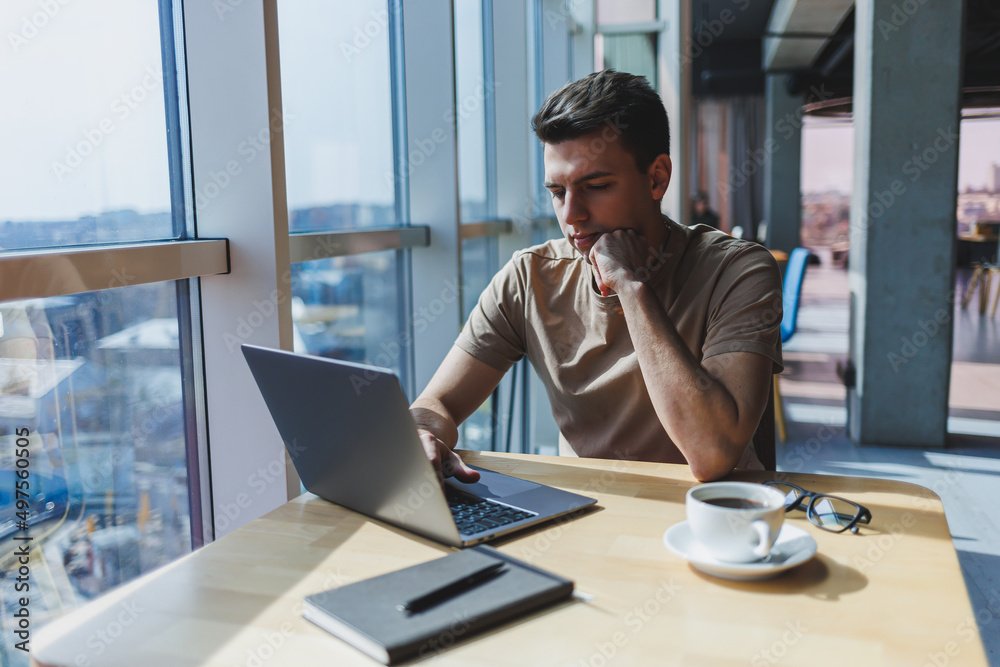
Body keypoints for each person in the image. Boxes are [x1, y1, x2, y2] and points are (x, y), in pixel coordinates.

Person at [410, 70, 782, 483]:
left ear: (657, 177)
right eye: (557, 193)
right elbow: (437, 403)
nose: (571, 216)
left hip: (709, 518)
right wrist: (423, 432)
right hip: (591, 513)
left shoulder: (738, 270)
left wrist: (630, 285)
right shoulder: (529, 277)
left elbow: (711, 455)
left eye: (597, 185)